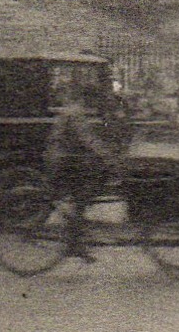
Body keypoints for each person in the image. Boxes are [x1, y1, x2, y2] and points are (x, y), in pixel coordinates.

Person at [44, 101, 130, 262]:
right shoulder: (76, 113)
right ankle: (74, 239)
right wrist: (109, 158)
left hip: (62, 157)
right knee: (87, 190)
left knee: (83, 193)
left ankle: (75, 236)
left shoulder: (75, 110)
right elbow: (88, 140)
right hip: (61, 160)